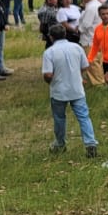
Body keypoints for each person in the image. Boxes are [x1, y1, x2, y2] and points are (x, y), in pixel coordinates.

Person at [41, 24, 99, 157]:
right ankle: (90, 143)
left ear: (51, 37)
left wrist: (49, 82)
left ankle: (60, 143)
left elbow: (48, 74)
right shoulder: (77, 48)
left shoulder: (49, 52)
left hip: (59, 91)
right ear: (65, 34)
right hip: (77, 88)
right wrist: (78, 75)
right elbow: (85, 65)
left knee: (59, 118)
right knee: (84, 117)